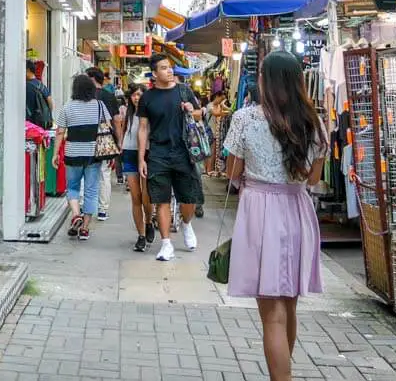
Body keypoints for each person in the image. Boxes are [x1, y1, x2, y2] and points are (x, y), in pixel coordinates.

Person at [224, 51, 327, 381]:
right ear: (298, 81)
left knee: (271, 314)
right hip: (297, 210)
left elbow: (231, 172)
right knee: (289, 304)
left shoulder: (245, 119)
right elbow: (313, 179)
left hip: (259, 210)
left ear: (264, 81)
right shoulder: (313, 122)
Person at [137, 54, 203, 261]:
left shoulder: (184, 91)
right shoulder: (147, 97)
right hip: (158, 153)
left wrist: (192, 110)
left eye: (170, 67)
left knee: (189, 197)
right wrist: (141, 158)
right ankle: (166, 244)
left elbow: (201, 113)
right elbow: (143, 128)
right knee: (161, 200)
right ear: (155, 73)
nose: (169, 71)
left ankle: (186, 223)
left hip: (184, 152)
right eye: (164, 68)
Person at [52, 74, 111, 241]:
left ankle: (76, 214)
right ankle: (85, 229)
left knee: (72, 188)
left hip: (73, 153)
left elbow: (60, 132)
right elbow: (108, 128)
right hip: (93, 155)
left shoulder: (67, 107)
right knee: (92, 191)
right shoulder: (99, 106)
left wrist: (56, 153)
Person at [119, 84, 156, 251]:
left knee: (147, 196)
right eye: (134, 95)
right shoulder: (127, 112)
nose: (136, 98)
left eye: (140, 95)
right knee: (135, 197)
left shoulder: (150, 113)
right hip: (129, 154)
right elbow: (123, 132)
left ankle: (149, 222)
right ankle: (141, 235)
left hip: (148, 154)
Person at [87, 67, 119, 220]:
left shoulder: (85, 96)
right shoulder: (109, 96)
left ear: (92, 78)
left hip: (87, 139)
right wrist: (118, 141)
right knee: (104, 174)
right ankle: (103, 209)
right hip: (106, 140)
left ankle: (86, 207)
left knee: (87, 174)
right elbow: (116, 120)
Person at [206, 90, 231, 177]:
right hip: (210, 131)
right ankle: (208, 170)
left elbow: (226, 113)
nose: (221, 101)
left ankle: (212, 170)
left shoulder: (218, 105)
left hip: (217, 132)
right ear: (217, 96)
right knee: (210, 151)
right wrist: (222, 105)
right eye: (221, 99)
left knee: (215, 151)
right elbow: (217, 114)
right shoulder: (210, 105)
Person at [25, 60, 53, 128]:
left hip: (28, 124)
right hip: (41, 124)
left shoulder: (25, 86)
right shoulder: (41, 86)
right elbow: (50, 102)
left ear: (28, 70)